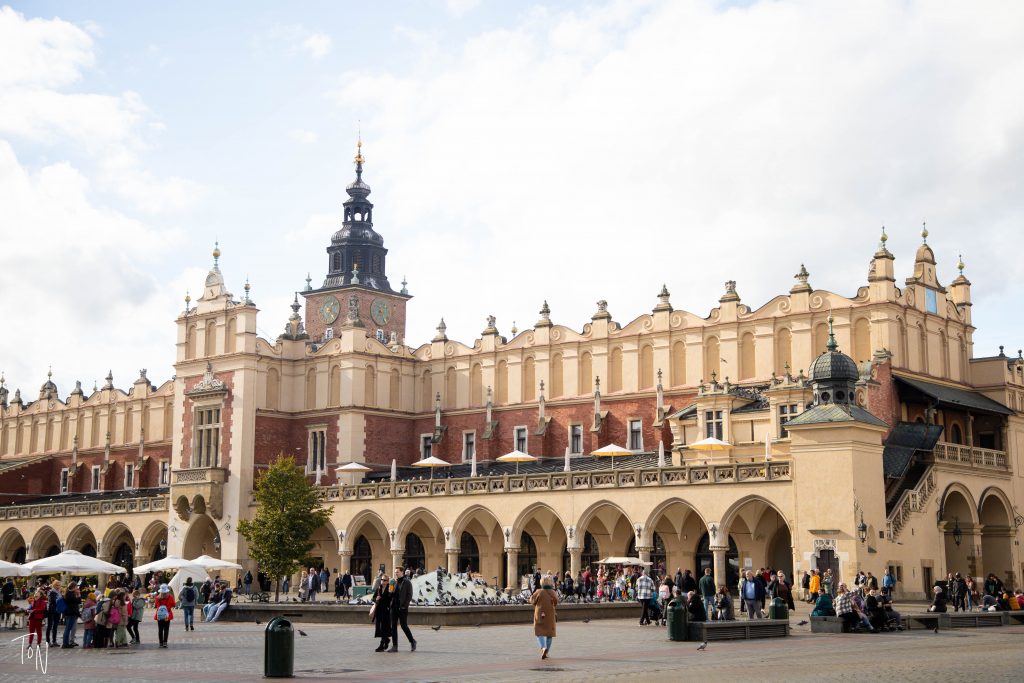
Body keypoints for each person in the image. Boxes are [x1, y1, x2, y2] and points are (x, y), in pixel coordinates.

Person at [388, 566, 415, 652]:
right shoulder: (393, 582)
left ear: (402, 572)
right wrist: (390, 587)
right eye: (395, 572)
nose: (396, 573)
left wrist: (404, 606)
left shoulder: (407, 582)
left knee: (404, 626)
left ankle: (412, 641)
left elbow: (409, 595)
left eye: (397, 572)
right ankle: (395, 646)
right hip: (394, 607)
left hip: (402, 608)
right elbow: (390, 595)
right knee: (393, 627)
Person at [530, 576, 558, 660]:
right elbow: (556, 602)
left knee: (539, 631)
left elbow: (532, 600)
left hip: (540, 614)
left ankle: (543, 648)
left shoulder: (539, 591)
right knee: (549, 634)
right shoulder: (553, 592)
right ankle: (547, 652)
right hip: (550, 614)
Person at [372, 574, 393, 651]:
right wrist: (376, 599)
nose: (382, 581)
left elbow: (392, 597)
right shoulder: (379, 588)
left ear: (387, 581)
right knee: (380, 628)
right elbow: (373, 598)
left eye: (384, 580)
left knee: (384, 627)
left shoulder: (390, 587)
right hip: (379, 611)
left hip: (386, 611)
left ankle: (381, 645)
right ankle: (386, 640)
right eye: (381, 579)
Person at [154, 583, 175, 648]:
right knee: (166, 629)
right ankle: (165, 642)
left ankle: (161, 643)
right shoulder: (170, 597)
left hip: (160, 616)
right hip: (167, 616)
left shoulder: (157, 598)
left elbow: (155, 606)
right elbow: (174, 604)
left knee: (160, 629)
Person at [61, 582, 81, 648]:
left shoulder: (68, 593)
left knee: (67, 628)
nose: (77, 588)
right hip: (71, 613)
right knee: (68, 629)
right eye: (76, 587)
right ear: (73, 587)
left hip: (69, 613)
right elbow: (78, 601)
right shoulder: (70, 594)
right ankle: (65, 644)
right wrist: (78, 595)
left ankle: (65, 643)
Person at [45, 579, 61, 646]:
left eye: (59, 585)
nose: (58, 586)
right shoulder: (52, 592)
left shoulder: (59, 592)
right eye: (57, 585)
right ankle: (48, 641)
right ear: (54, 585)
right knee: (49, 626)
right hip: (51, 610)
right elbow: (53, 601)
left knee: (55, 626)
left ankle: (54, 641)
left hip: (57, 610)